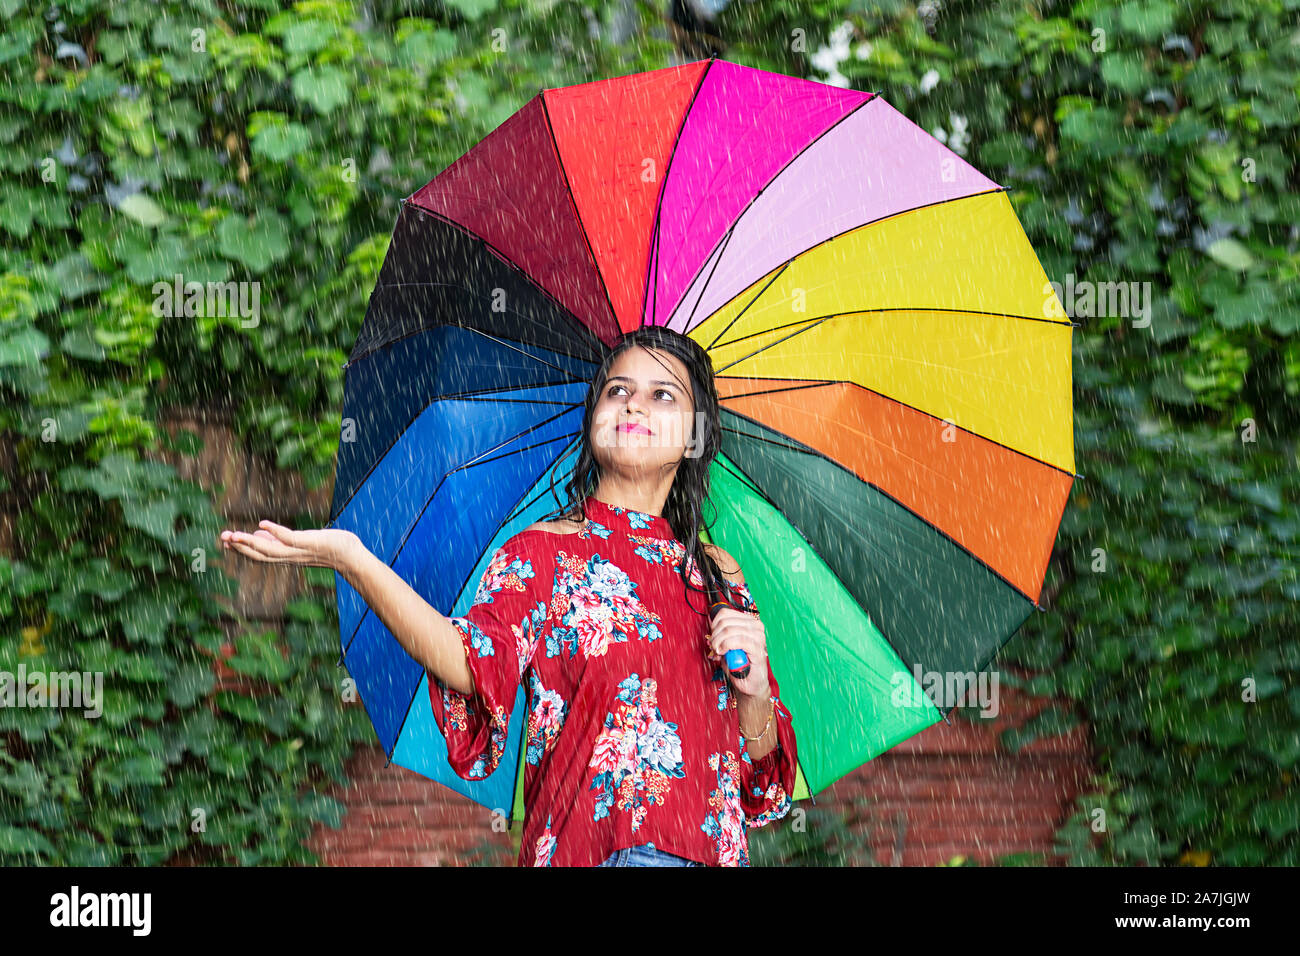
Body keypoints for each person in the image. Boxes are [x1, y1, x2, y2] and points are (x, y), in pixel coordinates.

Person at [220, 326, 798, 866]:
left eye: (663, 395)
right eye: (617, 390)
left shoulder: (717, 576)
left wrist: (753, 691)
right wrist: (352, 557)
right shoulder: (541, 553)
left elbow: (762, 786)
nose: (634, 405)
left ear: (697, 435)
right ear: (593, 418)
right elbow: (467, 660)